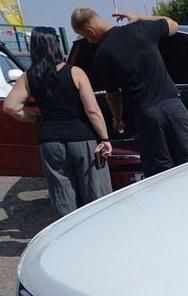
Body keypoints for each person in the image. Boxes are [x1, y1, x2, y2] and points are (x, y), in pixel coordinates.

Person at [70, 8, 188, 177]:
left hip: (146, 115)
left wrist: (117, 119)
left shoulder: (102, 54)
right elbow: (173, 24)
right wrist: (139, 18)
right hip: (174, 106)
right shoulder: (140, 29)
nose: (89, 41)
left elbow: (113, 94)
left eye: (86, 36)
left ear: (90, 30)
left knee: (160, 172)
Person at [3, 27, 112, 217]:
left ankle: (70, 235)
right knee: (95, 190)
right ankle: (98, 230)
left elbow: (10, 107)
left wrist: (36, 119)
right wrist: (104, 138)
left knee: (62, 193)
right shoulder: (75, 72)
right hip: (82, 138)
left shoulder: (29, 77)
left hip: (50, 141)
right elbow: (93, 110)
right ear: (56, 45)